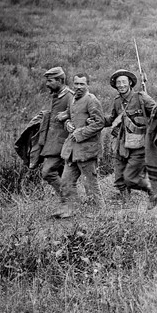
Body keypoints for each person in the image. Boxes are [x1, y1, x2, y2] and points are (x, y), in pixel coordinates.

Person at [104, 69, 157, 208]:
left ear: (130, 83)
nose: (121, 85)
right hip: (121, 144)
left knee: (130, 178)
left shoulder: (141, 98)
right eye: (118, 83)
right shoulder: (117, 102)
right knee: (119, 179)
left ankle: (152, 190)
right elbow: (112, 119)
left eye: (123, 82)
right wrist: (96, 120)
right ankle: (127, 207)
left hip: (139, 145)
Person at [55, 72, 105, 218]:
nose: (78, 87)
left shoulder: (91, 100)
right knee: (66, 182)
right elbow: (70, 117)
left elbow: (99, 123)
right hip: (72, 151)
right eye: (76, 84)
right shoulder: (73, 100)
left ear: (87, 85)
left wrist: (79, 133)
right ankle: (71, 210)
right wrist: (67, 124)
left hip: (87, 150)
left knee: (90, 184)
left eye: (82, 84)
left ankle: (99, 213)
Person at [26, 67, 73, 201]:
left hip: (62, 142)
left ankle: (68, 198)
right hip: (51, 141)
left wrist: (67, 116)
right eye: (47, 81)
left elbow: (77, 112)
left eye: (50, 81)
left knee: (47, 172)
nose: (47, 84)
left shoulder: (70, 95)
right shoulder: (57, 95)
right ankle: (66, 201)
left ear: (60, 80)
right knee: (61, 172)